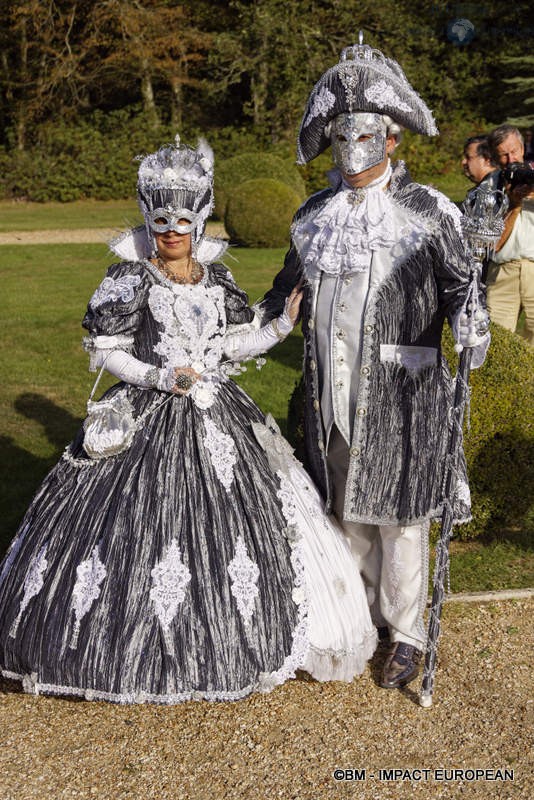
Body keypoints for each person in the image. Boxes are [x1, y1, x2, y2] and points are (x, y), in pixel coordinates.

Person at [0, 135, 377, 704]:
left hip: (217, 412)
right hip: (149, 414)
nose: (171, 231)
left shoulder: (217, 281)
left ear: (200, 222)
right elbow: (106, 349)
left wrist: (277, 327)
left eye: (182, 220)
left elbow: (227, 346)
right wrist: (158, 377)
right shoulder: (128, 280)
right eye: (160, 221)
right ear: (148, 223)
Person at [258, 41, 489, 690]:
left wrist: (472, 328)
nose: (352, 150)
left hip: (402, 393)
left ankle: (408, 633)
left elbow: (461, 293)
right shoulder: (313, 218)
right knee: (345, 514)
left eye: (365, 136)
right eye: (341, 137)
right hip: (328, 393)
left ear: (390, 140)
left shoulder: (431, 212)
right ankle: (360, 623)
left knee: (402, 519)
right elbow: (283, 300)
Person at [486, 124, 534, 343]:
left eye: (514, 151)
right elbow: (493, 244)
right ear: (495, 159)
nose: (511, 159)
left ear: (523, 148)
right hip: (503, 272)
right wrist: (513, 205)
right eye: (503, 155)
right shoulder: (489, 187)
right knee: (496, 339)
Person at [461, 135, 500, 203]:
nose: (463, 162)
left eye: (468, 157)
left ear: (487, 160)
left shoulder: (492, 191)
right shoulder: (484, 189)